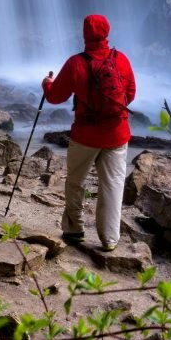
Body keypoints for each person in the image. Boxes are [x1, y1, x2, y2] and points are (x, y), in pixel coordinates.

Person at [42, 13, 136, 251]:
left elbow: (55, 97)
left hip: (85, 135)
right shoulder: (121, 60)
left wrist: (46, 83)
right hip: (117, 133)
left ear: (84, 34)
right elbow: (131, 94)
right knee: (113, 184)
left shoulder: (76, 63)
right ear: (107, 32)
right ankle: (110, 239)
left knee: (76, 181)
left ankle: (74, 230)